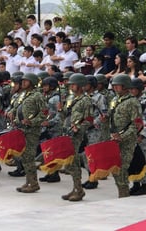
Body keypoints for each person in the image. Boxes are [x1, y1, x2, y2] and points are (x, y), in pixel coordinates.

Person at [59, 73, 92, 201]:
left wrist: (79, 128)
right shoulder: (71, 99)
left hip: (77, 135)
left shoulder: (86, 100)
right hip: (67, 132)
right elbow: (66, 117)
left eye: (73, 84)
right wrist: (61, 111)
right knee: (70, 163)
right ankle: (76, 188)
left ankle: (79, 190)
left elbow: (89, 119)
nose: (71, 87)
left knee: (74, 161)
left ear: (80, 85)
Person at [10, 73, 46, 193]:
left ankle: (34, 183)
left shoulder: (37, 96)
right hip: (21, 129)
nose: (23, 83)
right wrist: (13, 115)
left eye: (26, 81)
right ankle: (28, 181)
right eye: (23, 81)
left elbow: (44, 113)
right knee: (24, 157)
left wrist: (32, 121)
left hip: (32, 131)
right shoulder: (23, 95)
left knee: (29, 157)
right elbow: (17, 108)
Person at [108, 74, 142, 197]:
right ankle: (122, 191)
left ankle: (124, 193)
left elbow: (136, 125)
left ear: (125, 86)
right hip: (114, 139)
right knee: (115, 168)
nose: (115, 87)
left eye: (118, 85)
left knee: (121, 168)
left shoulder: (132, 102)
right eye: (114, 85)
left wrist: (122, 137)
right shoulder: (114, 100)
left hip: (127, 142)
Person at [129, 78, 146, 196]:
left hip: (141, 136)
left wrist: (142, 135)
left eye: (133, 89)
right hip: (131, 134)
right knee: (134, 160)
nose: (132, 91)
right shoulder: (131, 101)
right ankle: (135, 183)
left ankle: (144, 186)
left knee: (144, 159)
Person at [38, 76, 62, 183]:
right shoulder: (48, 97)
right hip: (48, 128)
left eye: (46, 86)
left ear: (51, 86)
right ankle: (50, 172)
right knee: (49, 152)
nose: (43, 88)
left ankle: (54, 174)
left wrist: (49, 122)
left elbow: (59, 115)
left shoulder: (56, 99)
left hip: (56, 128)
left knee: (54, 152)